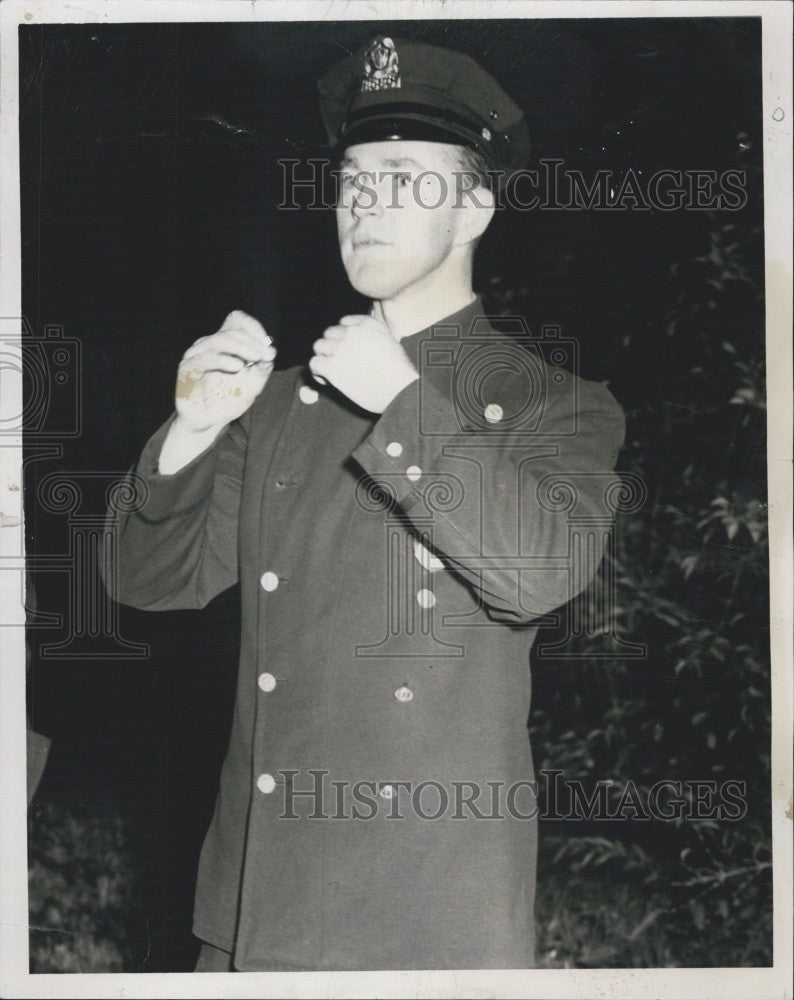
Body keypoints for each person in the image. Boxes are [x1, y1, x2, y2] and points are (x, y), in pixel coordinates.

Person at [104, 36, 625, 972]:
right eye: (351, 179)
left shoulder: (554, 403)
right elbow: (149, 583)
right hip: (252, 905)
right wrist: (187, 432)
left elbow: (543, 570)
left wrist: (402, 404)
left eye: (401, 177)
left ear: (474, 208)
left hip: (421, 918)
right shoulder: (284, 403)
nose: (363, 204)